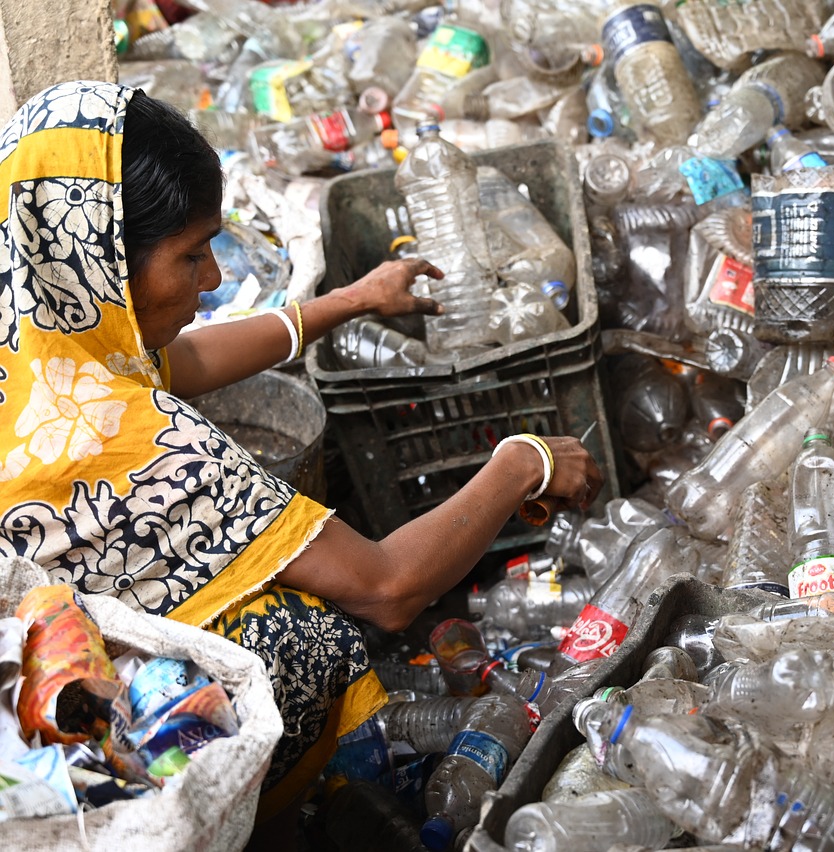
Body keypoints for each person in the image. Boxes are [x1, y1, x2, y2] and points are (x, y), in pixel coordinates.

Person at [0, 81, 602, 840]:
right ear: (101, 260)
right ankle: (277, 810)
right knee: (309, 632)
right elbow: (387, 588)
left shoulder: (36, 321)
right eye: (190, 256)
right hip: (82, 729)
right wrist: (523, 462)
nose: (214, 279)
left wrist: (346, 302)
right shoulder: (123, 433)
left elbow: (179, 358)